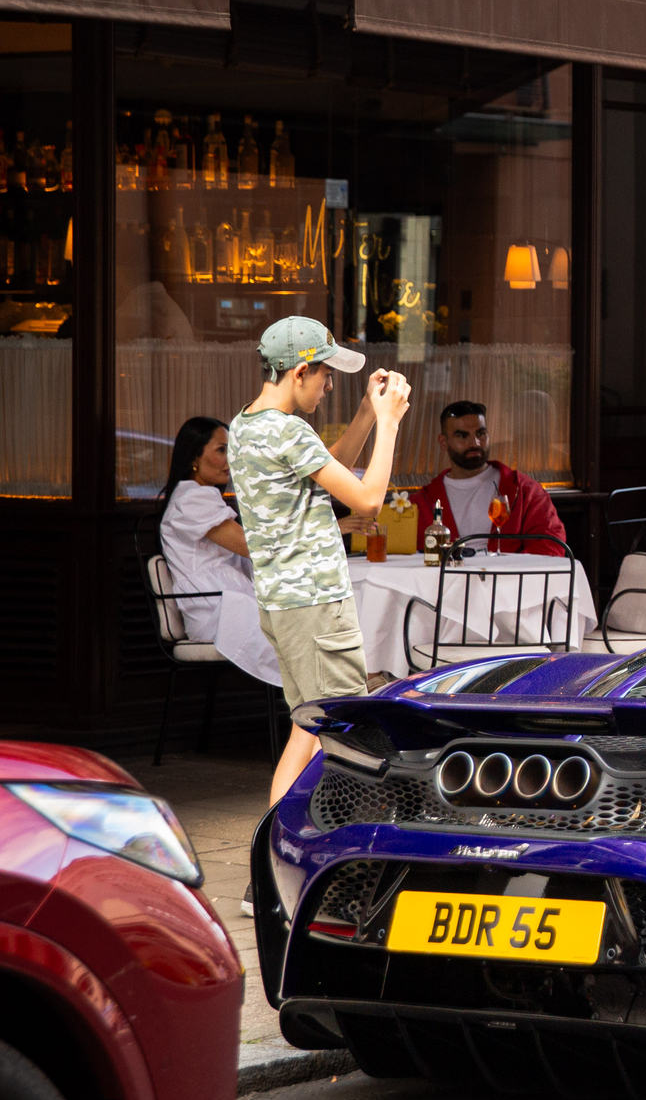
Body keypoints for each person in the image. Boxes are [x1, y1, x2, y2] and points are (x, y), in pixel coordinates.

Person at [233, 317, 410, 806]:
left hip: (282, 603)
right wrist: (390, 423)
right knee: (343, 733)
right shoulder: (291, 431)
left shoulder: (246, 425)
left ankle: (275, 849)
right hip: (315, 604)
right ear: (299, 371)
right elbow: (368, 501)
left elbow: (323, 468)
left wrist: (365, 415)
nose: (329, 385)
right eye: (326, 374)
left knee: (306, 729)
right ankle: (326, 846)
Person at [154, 417, 280, 687]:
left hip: (225, 600)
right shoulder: (191, 499)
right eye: (222, 450)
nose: (230, 459)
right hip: (211, 611)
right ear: (194, 458)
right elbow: (253, 548)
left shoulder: (203, 496)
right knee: (293, 619)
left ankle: (339, 684)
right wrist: (326, 530)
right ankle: (338, 689)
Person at [413, 400, 567, 555]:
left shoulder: (524, 490)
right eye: (462, 436)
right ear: (443, 442)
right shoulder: (422, 502)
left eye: (480, 434)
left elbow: (552, 543)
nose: (475, 443)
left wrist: (505, 571)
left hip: (508, 576)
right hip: (446, 578)